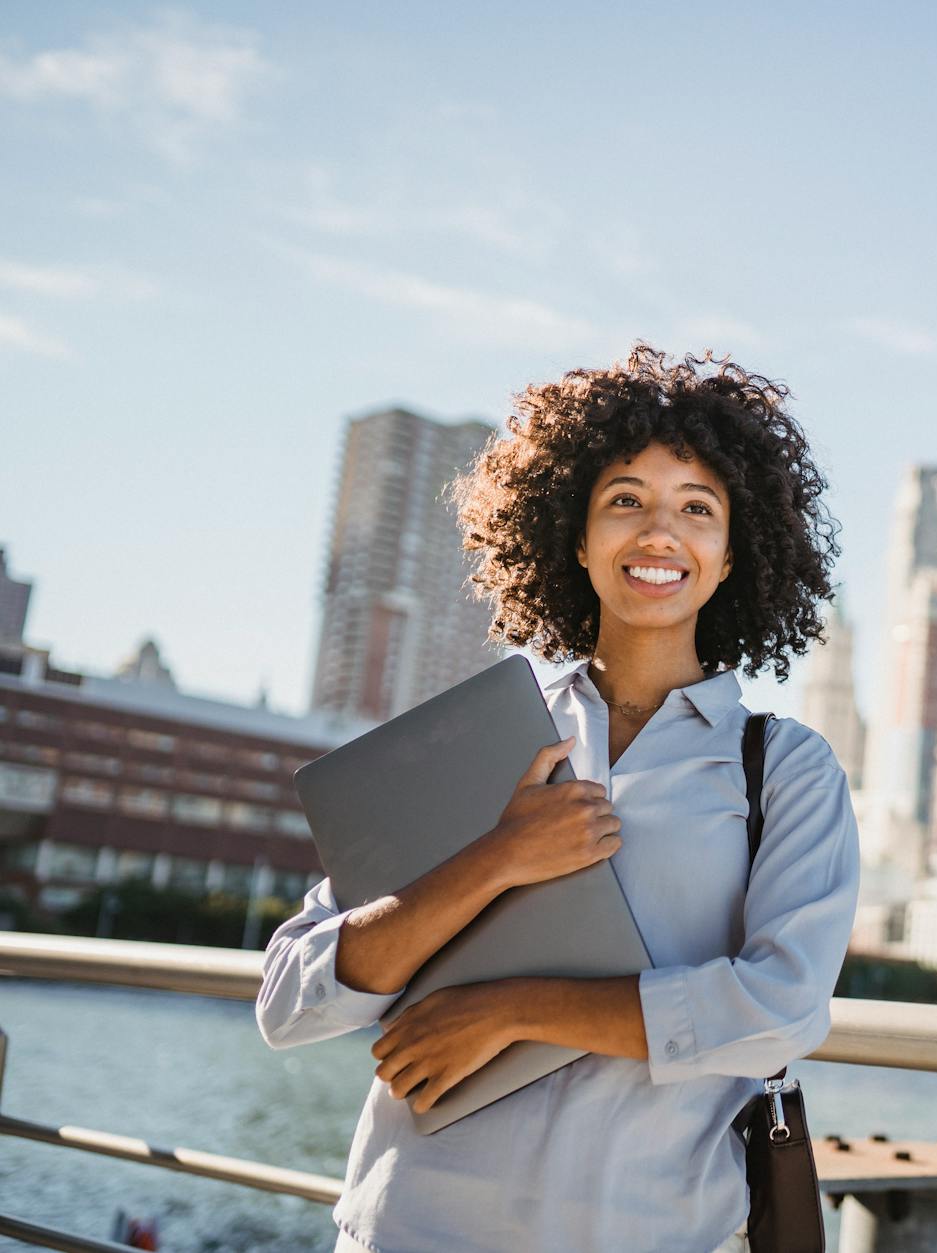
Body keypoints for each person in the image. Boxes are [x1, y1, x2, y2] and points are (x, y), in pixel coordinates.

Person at [256, 346, 860, 1253]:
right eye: (625, 500)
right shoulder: (472, 739)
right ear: (576, 538)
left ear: (731, 554)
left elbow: (780, 1009)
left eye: (696, 508)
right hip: (410, 1228)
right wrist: (496, 857)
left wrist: (511, 1008)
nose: (659, 532)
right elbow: (292, 1003)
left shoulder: (785, 771)